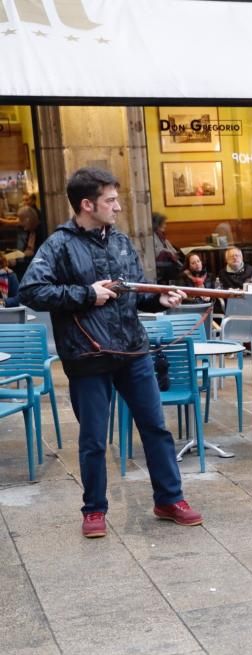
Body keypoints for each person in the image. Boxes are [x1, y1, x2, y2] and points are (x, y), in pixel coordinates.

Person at [18, 167, 202, 538]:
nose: (118, 207)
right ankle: (94, 510)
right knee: (93, 439)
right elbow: (31, 291)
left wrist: (159, 300)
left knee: (156, 428)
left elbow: (134, 293)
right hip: (88, 356)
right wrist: (86, 293)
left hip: (133, 351)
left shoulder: (120, 241)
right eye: (110, 200)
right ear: (87, 204)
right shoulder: (57, 245)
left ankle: (169, 498)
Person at [152, 212, 182, 284]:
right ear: (158, 224)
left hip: (166, 261)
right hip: (159, 263)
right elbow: (156, 251)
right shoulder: (153, 236)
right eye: (164, 223)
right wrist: (169, 253)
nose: (165, 225)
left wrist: (174, 252)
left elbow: (169, 247)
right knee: (172, 268)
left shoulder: (161, 235)